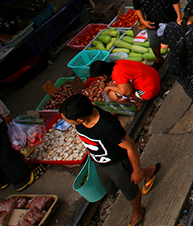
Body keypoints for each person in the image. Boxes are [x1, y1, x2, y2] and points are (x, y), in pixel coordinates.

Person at [60, 95, 159, 226]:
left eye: (67, 120)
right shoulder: (83, 119)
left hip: (117, 163)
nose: (66, 122)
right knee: (110, 186)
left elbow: (130, 147)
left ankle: (138, 211)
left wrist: (136, 170)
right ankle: (149, 171)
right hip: (100, 162)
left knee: (129, 189)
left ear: (79, 119)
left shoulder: (108, 126)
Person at [132, 0, 182, 66]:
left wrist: (179, 17)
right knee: (154, 43)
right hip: (152, 22)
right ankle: (159, 59)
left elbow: (175, 1)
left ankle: (175, 58)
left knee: (174, 41)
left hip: (169, 19)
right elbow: (137, 8)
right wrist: (143, 20)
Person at [89, 60, 161, 106]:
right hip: (154, 76)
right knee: (116, 84)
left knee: (112, 95)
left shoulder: (117, 73)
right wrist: (103, 80)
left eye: (100, 77)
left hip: (150, 89)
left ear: (104, 75)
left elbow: (126, 92)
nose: (100, 79)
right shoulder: (118, 63)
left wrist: (108, 88)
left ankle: (137, 103)